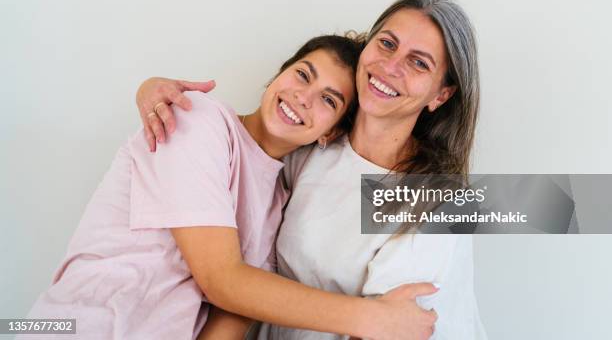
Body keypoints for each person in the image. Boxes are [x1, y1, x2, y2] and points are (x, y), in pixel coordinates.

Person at [23, 35, 439, 340]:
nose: (302, 98)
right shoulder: (197, 119)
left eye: (329, 101)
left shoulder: (281, 200)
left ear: (330, 133)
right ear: (278, 75)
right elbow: (221, 279)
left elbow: (232, 314)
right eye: (301, 75)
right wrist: (372, 319)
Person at [136, 0, 488, 339]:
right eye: (387, 43)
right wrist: (153, 90)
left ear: (441, 95)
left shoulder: (442, 205)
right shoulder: (312, 145)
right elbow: (240, 266)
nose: (391, 66)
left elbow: (393, 328)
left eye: (419, 63)